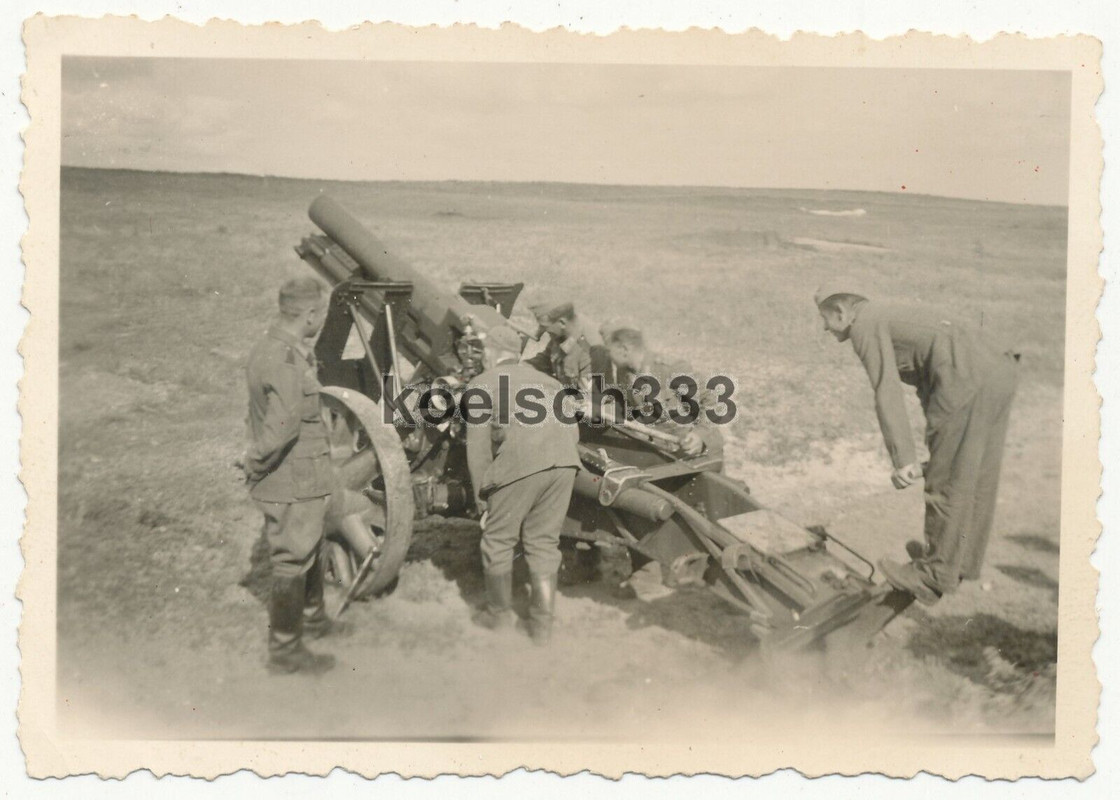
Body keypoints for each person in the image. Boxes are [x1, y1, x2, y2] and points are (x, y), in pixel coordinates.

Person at [814, 282, 1019, 605]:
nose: (824, 327)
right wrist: (935, 452)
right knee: (975, 475)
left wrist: (904, 460)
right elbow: (930, 383)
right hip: (999, 370)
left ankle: (934, 573)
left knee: (945, 484)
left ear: (841, 311)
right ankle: (960, 561)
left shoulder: (865, 324)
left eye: (825, 318)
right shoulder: (889, 316)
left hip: (966, 379)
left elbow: (886, 391)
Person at [243, 277, 374, 674]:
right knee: (292, 557)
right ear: (311, 314)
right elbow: (281, 429)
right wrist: (254, 463)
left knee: (310, 544)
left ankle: (315, 621)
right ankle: (285, 651)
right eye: (321, 312)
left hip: (307, 474)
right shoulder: (285, 362)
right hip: (291, 477)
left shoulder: (273, 350)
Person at [465, 325, 581, 644]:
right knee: (544, 543)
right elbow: (573, 431)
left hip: (522, 464)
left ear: (492, 353)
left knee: (498, 541)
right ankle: (542, 627)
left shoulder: (482, 383)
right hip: (565, 463)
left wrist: (482, 502)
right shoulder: (549, 381)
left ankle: (498, 616)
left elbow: (477, 451)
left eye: (483, 350)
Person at [604, 327, 724, 459]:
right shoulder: (624, 373)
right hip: (664, 450)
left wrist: (700, 436)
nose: (607, 356)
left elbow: (712, 403)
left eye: (609, 351)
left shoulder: (670, 368)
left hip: (698, 453)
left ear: (624, 350)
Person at [525, 296, 593, 391]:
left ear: (562, 323)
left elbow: (593, 397)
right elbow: (542, 362)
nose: (541, 332)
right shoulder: (559, 338)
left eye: (544, 327)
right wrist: (517, 368)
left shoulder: (587, 349)